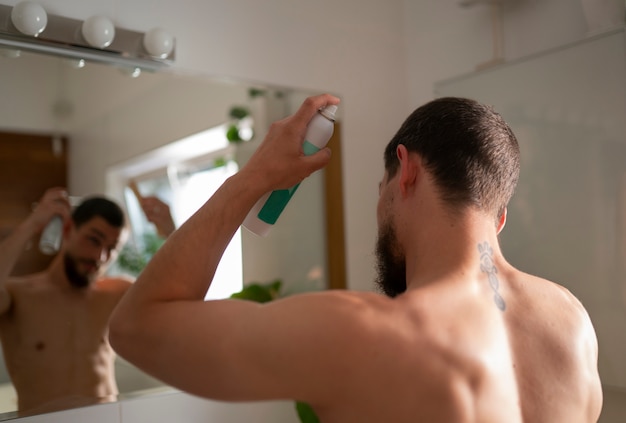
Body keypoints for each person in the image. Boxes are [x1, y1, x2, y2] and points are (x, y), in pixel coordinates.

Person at [109, 94, 603, 422]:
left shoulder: (359, 333)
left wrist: (251, 178)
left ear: (405, 171)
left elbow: (136, 326)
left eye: (380, 188)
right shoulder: (572, 323)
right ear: (500, 215)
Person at [0, 189, 133, 415]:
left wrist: (169, 231)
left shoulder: (117, 293)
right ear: (68, 229)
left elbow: (177, 305)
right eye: (93, 240)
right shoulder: (18, 295)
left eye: (111, 249)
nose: (100, 257)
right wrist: (31, 225)